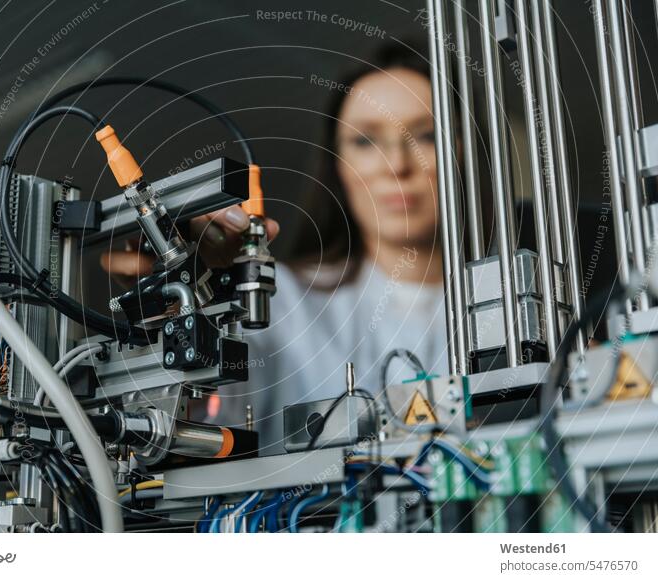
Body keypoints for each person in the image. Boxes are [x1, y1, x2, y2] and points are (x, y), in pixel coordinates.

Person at [102, 41, 448, 454]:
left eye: (424, 135)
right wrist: (196, 303)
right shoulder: (281, 303)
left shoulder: (521, 311)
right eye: (366, 141)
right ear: (339, 166)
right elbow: (198, 427)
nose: (397, 164)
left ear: (461, 153)